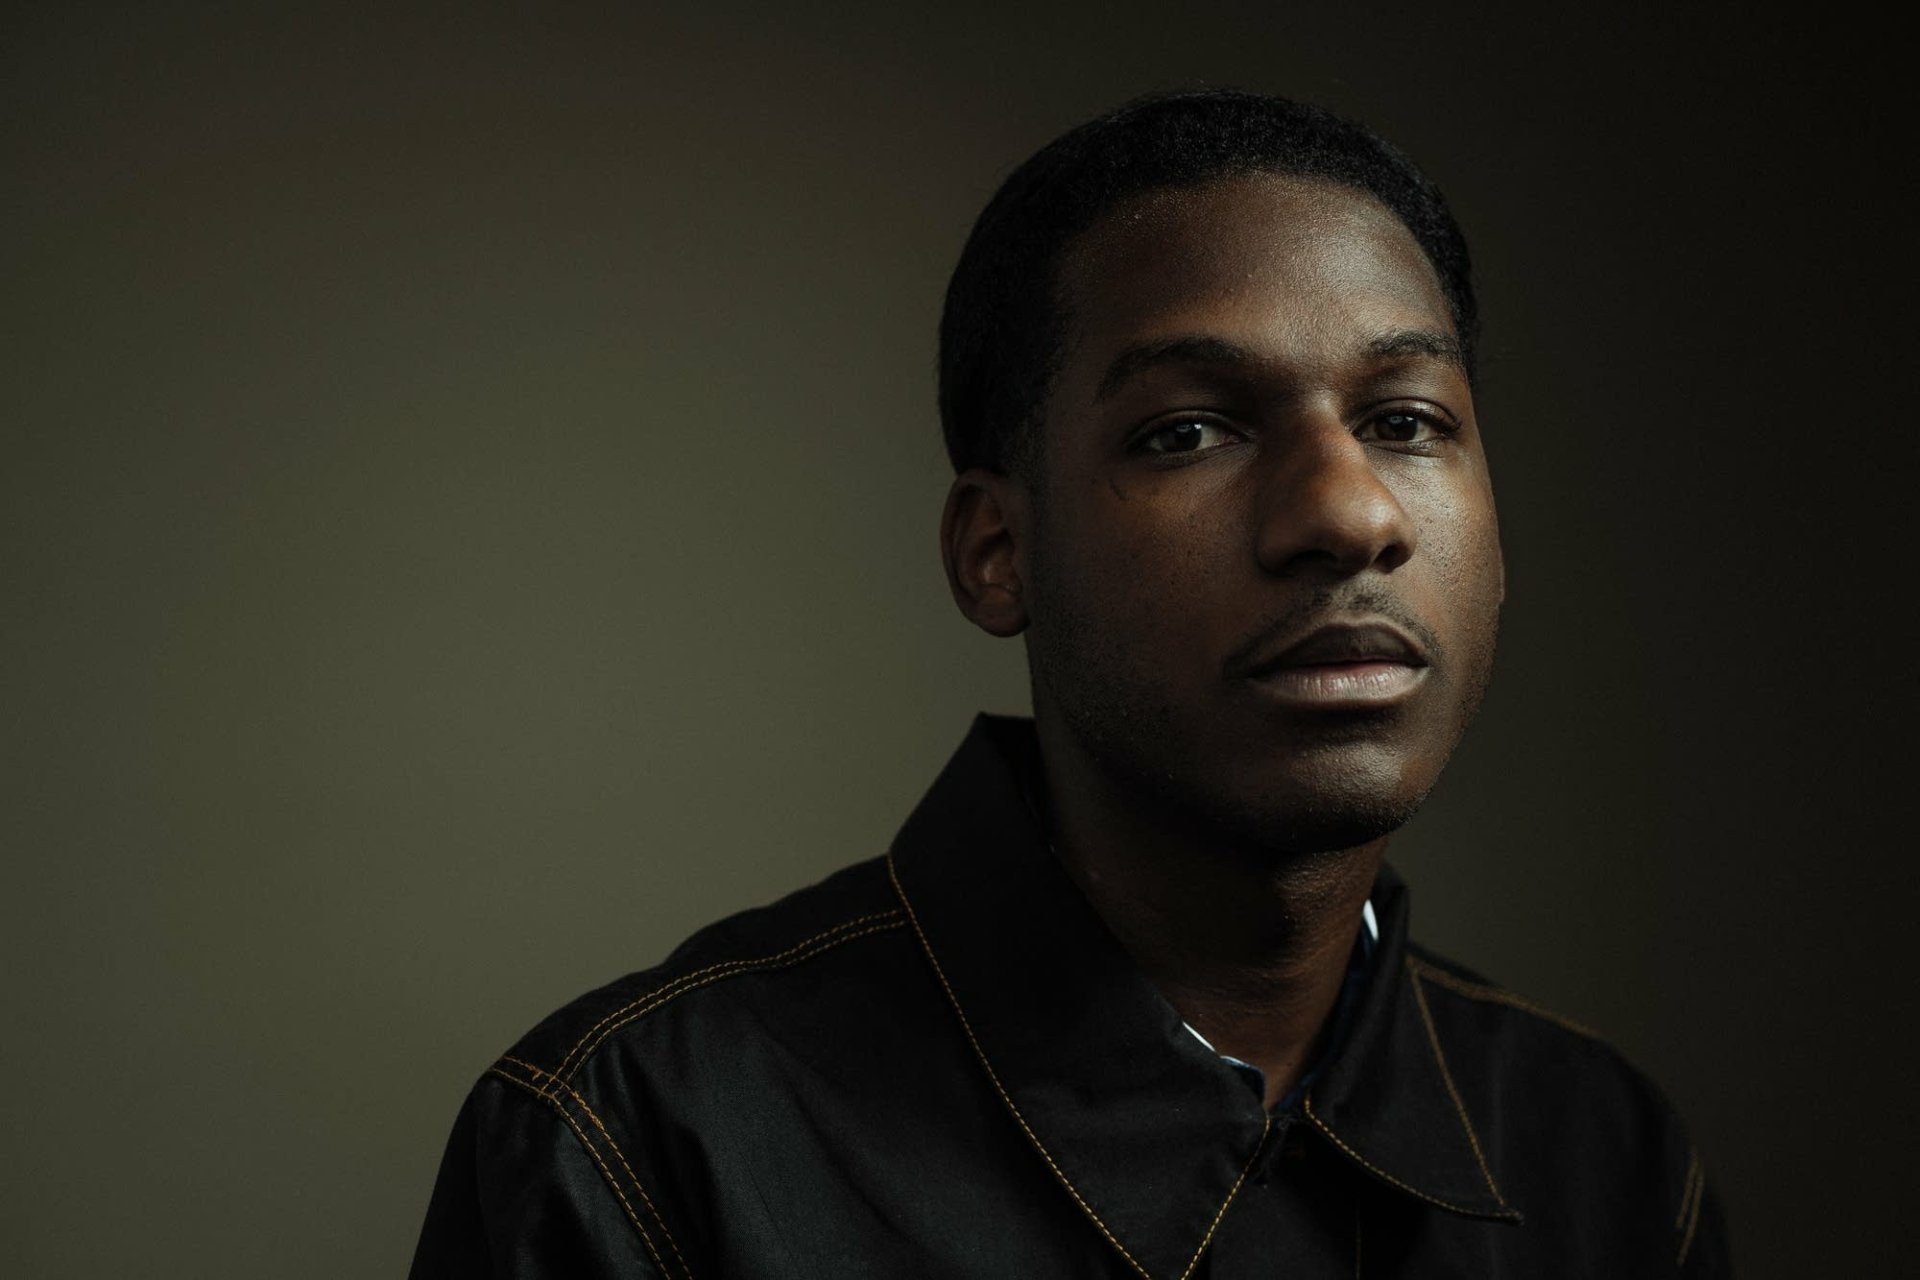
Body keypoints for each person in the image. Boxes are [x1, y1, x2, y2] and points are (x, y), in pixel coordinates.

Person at [410, 90, 1729, 1278]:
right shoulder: (637, 1151)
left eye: (1404, 420)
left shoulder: (1604, 1162)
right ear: (998, 553)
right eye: (1188, 430)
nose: (1348, 510)